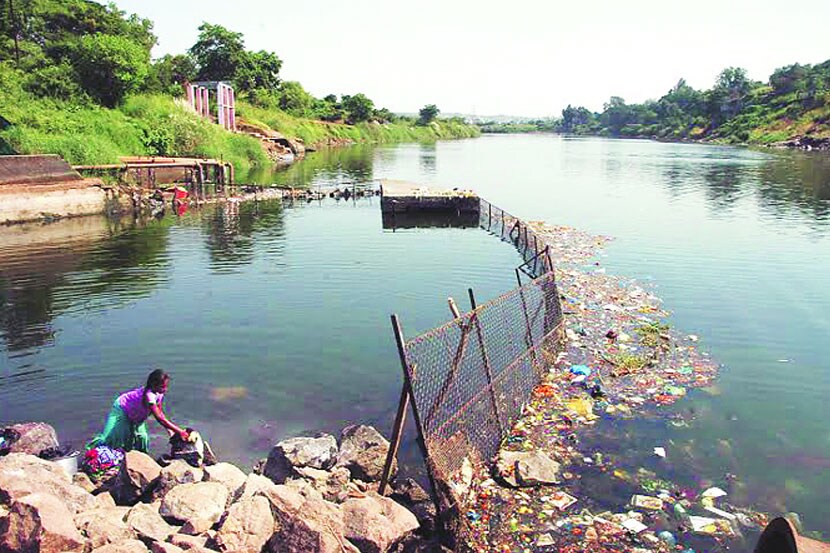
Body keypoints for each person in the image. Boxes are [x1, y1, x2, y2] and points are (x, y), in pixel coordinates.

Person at [88, 369, 188, 453]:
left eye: (166, 386)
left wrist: (170, 430)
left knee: (142, 438)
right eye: (163, 386)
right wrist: (180, 431)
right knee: (110, 438)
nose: (165, 389)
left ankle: (139, 460)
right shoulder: (149, 395)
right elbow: (158, 418)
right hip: (123, 409)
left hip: (137, 415)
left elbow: (160, 413)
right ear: (153, 385)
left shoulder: (158, 393)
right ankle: (92, 452)